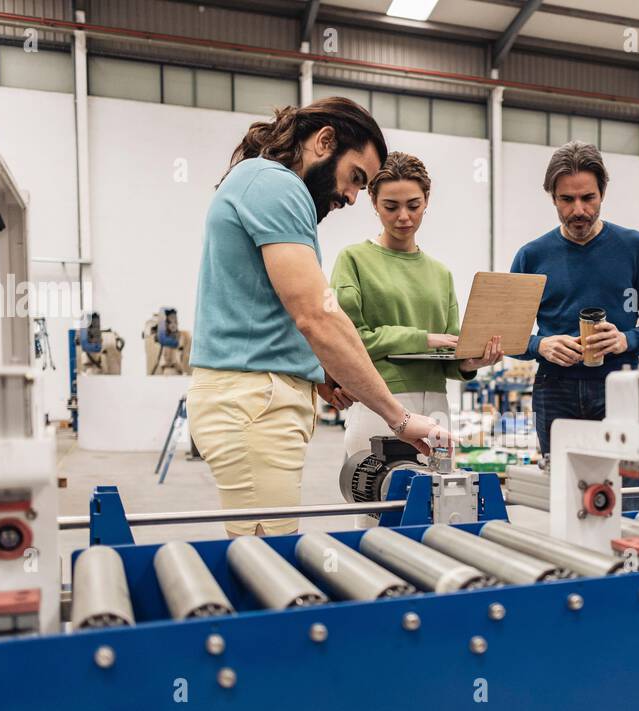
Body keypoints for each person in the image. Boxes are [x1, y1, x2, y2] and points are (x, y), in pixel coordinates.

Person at [187, 98, 449, 537]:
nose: (350, 196)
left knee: (261, 548)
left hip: (254, 396)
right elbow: (318, 317)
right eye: (355, 178)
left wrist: (317, 371)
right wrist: (398, 419)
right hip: (254, 402)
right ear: (324, 141)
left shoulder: (257, 181)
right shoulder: (276, 184)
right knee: (267, 559)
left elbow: (274, 308)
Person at [330, 151, 503, 525]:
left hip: (437, 407)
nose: (403, 217)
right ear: (373, 203)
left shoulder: (440, 273)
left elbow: (453, 347)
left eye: (413, 205)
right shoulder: (353, 260)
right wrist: (424, 338)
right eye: (390, 206)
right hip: (378, 404)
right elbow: (349, 339)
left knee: (441, 516)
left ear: (427, 202)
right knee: (378, 521)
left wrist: (472, 361)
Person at [510, 141, 639, 509]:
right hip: (556, 389)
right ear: (552, 196)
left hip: (622, 388)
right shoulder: (531, 256)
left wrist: (626, 340)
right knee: (566, 500)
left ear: (603, 193)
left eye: (589, 198)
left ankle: (623, 561)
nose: (579, 210)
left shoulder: (635, 247)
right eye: (567, 200)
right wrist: (541, 346)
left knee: (626, 498)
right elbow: (506, 336)